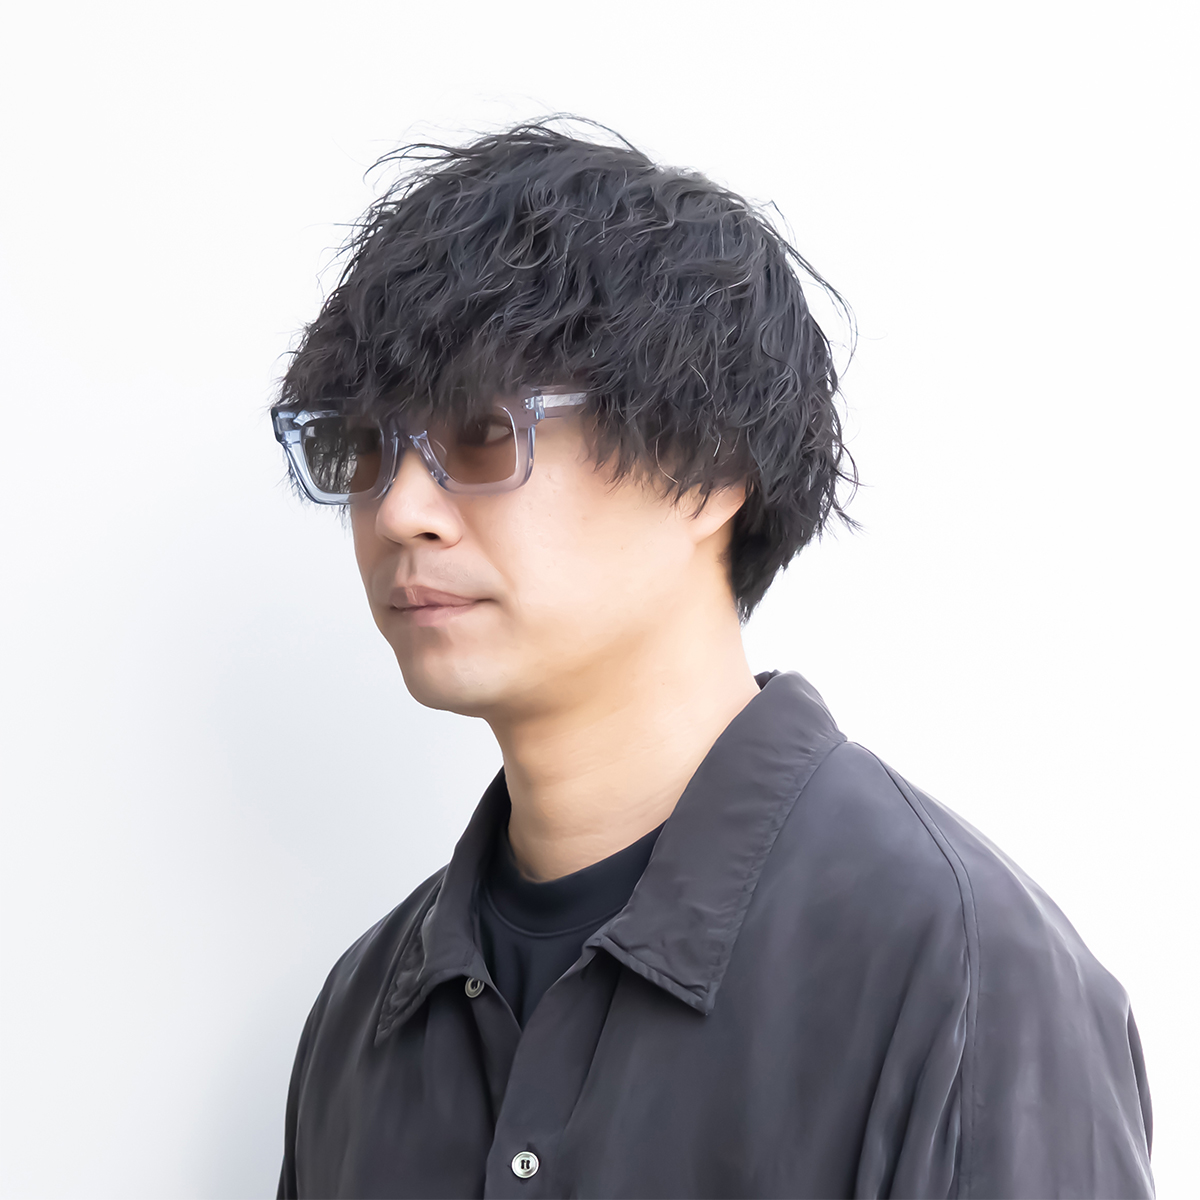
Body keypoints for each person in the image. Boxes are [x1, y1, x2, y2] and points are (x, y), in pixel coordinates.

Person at [272, 121, 1153, 1199]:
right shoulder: (363, 1017)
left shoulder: (958, 970)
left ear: (706, 470)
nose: (399, 511)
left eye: (484, 434)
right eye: (365, 449)